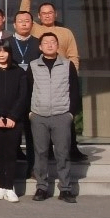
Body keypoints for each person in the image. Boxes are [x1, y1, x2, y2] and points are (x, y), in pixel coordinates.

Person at [19, 0, 86, 162]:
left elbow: (73, 55)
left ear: (55, 14)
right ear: (39, 16)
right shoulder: (36, 29)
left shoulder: (66, 32)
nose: (47, 15)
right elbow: (23, 12)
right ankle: (46, 151)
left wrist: (72, 76)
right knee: (43, 119)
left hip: (62, 79)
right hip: (42, 79)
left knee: (66, 118)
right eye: (44, 13)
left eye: (50, 12)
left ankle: (72, 150)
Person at [28, 32, 82, 204]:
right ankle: (41, 187)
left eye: (53, 42)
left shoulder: (67, 65)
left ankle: (65, 189)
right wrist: (30, 113)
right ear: (40, 46)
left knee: (62, 153)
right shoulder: (33, 65)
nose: (50, 45)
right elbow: (27, 90)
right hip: (39, 115)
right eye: (46, 42)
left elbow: (75, 90)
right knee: (40, 152)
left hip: (61, 115)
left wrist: (70, 114)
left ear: (58, 46)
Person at [0, 39, 29, 203]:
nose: (1, 54)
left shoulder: (19, 72)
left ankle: (9, 187)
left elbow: (23, 96)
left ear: (10, 53)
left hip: (14, 121)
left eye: (4, 51)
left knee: (10, 153)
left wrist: (13, 116)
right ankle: (1, 185)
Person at [9, 10, 42, 175]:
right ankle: (10, 169)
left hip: (34, 94)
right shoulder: (6, 43)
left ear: (32, 24)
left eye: (27, 21)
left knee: (33, 134)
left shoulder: (38, 44)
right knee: (11, 133)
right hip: (11, 95)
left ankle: (34, 168)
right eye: (20, 21)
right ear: (14, 24)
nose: (24, 23)